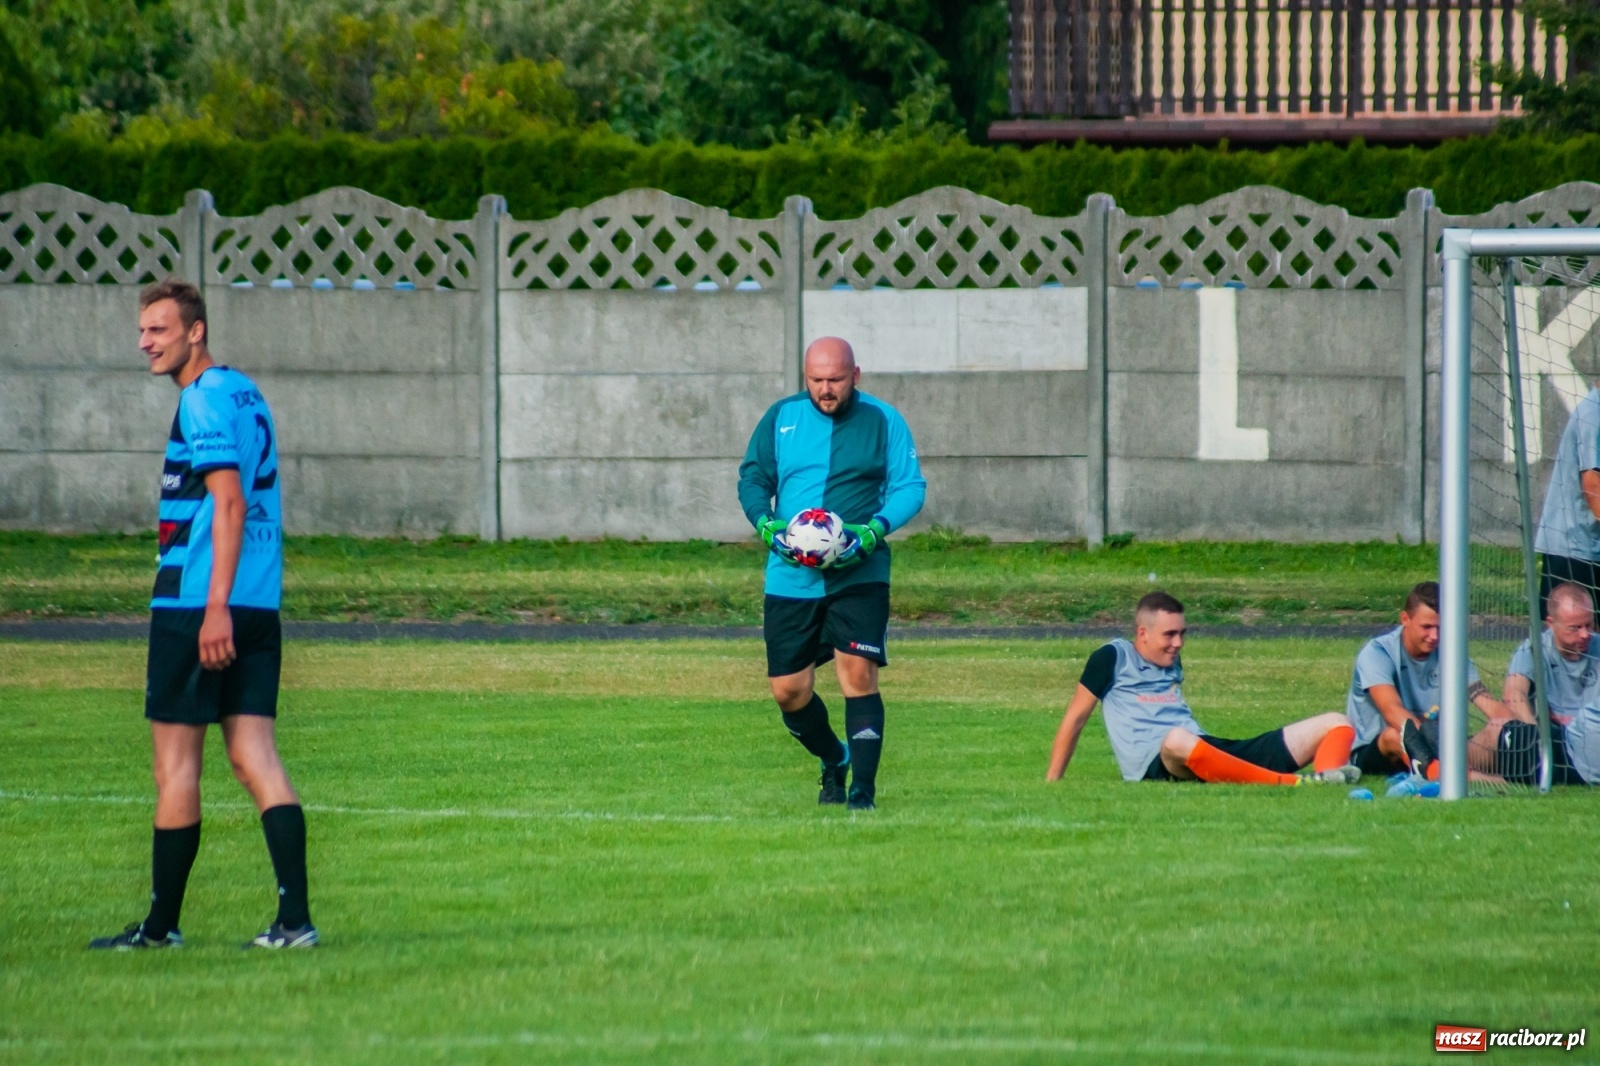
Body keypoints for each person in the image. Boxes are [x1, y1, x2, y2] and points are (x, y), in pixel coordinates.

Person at [90, 279, 316, 950]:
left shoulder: (202, 400)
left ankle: (159, 929)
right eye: (142, 330)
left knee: (177, 769)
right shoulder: (246, 392)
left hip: (200, 605)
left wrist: (212, 606)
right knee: (254, 757)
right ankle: (294, 922)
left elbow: (229, 505)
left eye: (158, 330)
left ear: (196, 331)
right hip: (257, 601)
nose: (145, 343)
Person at [736, 336, 926, 810]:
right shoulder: (781, 418)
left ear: (855, 376)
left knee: (857, 674)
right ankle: (834, 759)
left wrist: (872, 531)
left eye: (836, 380)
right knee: (789, 691)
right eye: (817, 380)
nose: (826, 389)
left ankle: (862, 793)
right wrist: (766, 525)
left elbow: (910, 488)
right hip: (790, 577)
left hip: (859, 573)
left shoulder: (883, 420)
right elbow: (752, 478)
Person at [1045, 591, 1358, 785]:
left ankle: (1328, 779)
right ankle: (1291, 783)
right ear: (1143, 633)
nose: (1178, 643)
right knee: (1177, 739)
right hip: (1159, 761)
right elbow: (1076, 717)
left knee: (1336, 722)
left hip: (1202, 749)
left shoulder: (1172, 661)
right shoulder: (1112, 657)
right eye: (1169, 635)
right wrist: (1052, 782)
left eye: (1183, 633)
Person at [1344, 581, 1506, 780]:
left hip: (1440, 747)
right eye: (1427, 627)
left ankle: (1535, 766)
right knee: (1394, 736)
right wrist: (1439, 745)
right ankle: (1466, 777)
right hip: (1382, 750)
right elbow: (1392, 712)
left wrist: (1513, 730)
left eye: (1440, 627)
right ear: (1405, 619)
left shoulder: (1451, 654)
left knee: (1494, 736)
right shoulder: (1378, 653)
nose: (1434, 636)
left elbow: (1487, 703)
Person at [1493, 581, 1600, 785]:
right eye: (1575, 628)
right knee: (1498, 728)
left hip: (1589, 741)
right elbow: (1514, 694)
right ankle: (1444, 760)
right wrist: (1536, 737)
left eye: (1589, 624)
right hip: (1549, 739)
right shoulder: (1533, 649)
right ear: (1551, 623)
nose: (1585, 634)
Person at [1533, 382, 1600, 619]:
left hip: (1585, 546)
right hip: (1574, 548)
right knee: (1569, 635)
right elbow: (1593, 484)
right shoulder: (1594, 415)